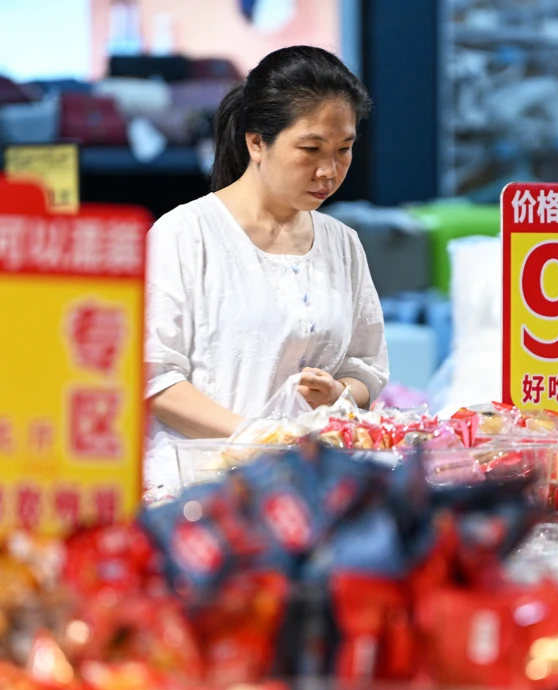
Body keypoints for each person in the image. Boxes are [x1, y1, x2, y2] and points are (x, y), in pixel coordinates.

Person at [145, 45, 389, 487]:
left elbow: (365, 367)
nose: (329, 171)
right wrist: (254, 437)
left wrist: (341, 396)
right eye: (310, 149)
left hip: (309, 489)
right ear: (256, 141)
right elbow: (154, 377)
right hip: (197, 492)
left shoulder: (343, 244)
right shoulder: (185, 234)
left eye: (344, 149)